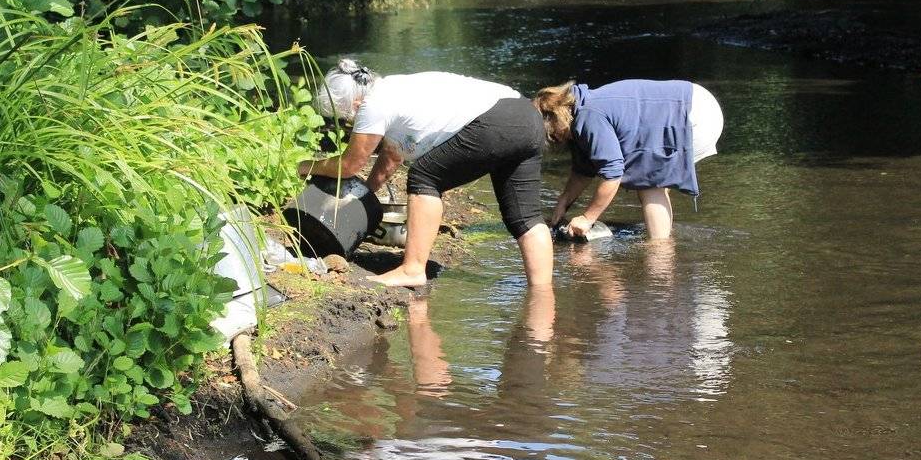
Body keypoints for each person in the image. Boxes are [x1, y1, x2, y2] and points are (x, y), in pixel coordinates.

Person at [300, 59, 553, 288]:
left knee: (424, 177)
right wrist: (363, 196)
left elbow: (350, 165)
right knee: (526, 218)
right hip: (528, 117)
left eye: (347, 116)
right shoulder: (394, 89)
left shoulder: (371, 105)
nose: (350, 121)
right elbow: (391, 157)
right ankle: (542, 294)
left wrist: (305, 166)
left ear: (354, 104)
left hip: (497, 120)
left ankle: (412, 270)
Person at [533, 79, 723, 241]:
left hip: (693, 114)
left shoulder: (589, 116)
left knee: (648, 185)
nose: (556, 141)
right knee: (653, 182)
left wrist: (587, 218)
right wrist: (563, 203)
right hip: (696, 101)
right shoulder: (580, 108)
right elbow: (583, 171)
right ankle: (662, 240)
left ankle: (660, 252)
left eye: (553, 136)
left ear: (555, 119)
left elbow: (613, 174)